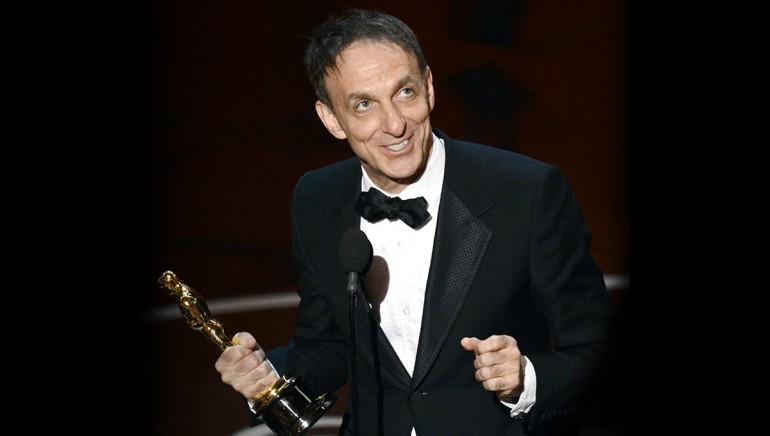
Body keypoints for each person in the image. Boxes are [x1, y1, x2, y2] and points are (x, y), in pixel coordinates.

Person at [215, 8, 618, 436]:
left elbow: (596, 348)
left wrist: (525, 377)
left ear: (428, 86)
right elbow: (329, 345)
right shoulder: (316, 199)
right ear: (331, 118)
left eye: (404, 92)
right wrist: (266, 375)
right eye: (364, 104)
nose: (394, 125)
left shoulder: (527, 191)